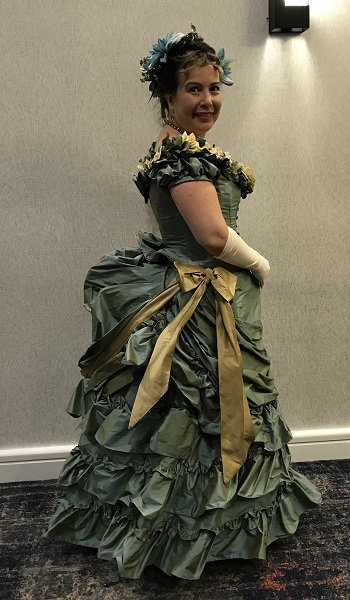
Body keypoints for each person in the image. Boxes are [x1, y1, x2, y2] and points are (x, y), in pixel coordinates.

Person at [45, 28, 322, 580]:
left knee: (201, 412)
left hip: (205, 292)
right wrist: (261, 264)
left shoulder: (180, 150)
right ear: (167, 97)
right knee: (201, 410)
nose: (208, 100)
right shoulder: (181, 160)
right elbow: (215, 238)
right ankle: (179, 533)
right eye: (194, 89)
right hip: (203, 301)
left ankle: (190, 522)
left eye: (215, 87)